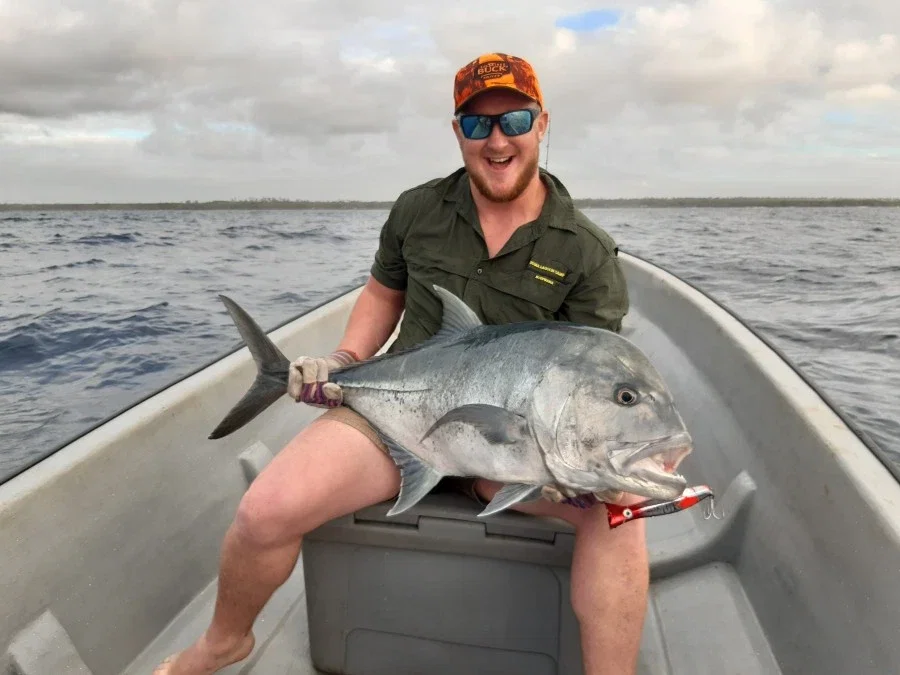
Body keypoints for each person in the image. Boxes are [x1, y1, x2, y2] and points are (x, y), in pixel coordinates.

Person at [155, 52, 647, 675]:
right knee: (264, 509)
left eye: (515, 120)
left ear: (542, 124)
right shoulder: (418, 210)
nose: (497, 140)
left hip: (518, 450)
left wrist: (569, 466)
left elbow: (590, 379)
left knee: (620, 511)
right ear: (458, 132)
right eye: (478, 124)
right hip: (400, 415)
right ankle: (224, 643)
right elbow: (382, 294)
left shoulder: (586, 251)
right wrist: (344, 360)